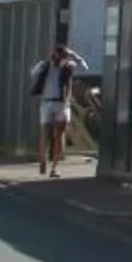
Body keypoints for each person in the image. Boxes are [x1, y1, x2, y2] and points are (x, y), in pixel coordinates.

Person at [28, 44, 84, 178]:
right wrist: (46, 62)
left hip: (61, 104)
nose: (59, 59)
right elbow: (33, 73)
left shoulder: (68, 66)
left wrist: (74, 55)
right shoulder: (45, 65)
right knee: (44, 134)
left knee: (59, 135)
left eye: (62, 56)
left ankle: (54, 167)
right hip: (46, 103)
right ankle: (43, 160)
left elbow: (84, 66)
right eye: (57, 56)